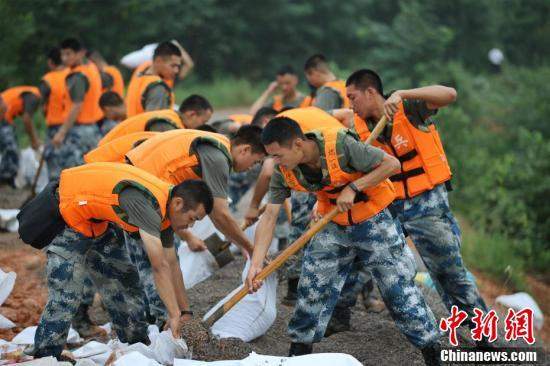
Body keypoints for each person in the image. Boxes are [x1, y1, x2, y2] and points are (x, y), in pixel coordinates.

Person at [245, 113, 443, 364]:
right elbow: (270, 215)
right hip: (334, 223)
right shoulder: (283, 171)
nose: (276, 162)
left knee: (397, 290)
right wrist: (256, 264)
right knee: (312, 286)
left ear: (297, 144)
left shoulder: (340, 145)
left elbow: (391, 164)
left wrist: (354, 187)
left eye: (278, 156)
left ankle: (431, 350)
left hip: (373, 220)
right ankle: (298, 353)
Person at [342, 69, 489, 346]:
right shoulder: (358, 127)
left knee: (449, 272)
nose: (351, 103)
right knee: (359, 255)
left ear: (371, 92)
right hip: (388, 204)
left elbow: (449, 94)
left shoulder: (408, 107)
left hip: (426, 204)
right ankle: (339, 315)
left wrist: (404, 93)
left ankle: (480, 330)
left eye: (353, 97)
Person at [24, 162, 213, 359]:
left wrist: (185, 312)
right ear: (178, 204)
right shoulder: (147, 203)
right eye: (192, 218)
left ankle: (136, 345)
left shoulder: (167, 210)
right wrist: (173, 315)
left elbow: (172, 265)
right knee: (67, 290)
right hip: (68, 213)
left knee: (124, 280)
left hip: (98, 222)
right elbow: (159, 266)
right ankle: (46, 355)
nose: (190, 226)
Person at [89, 126, 266, 324]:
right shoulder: (218, 157)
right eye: (256, 161)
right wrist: (249, 247)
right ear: (245, 150)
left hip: (146, 191)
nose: (252, 167)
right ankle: (158, 325)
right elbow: (220, 214)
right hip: (130, 193)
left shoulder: (212, 143)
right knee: (151, 266)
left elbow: (173, 259)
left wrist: (186, 312)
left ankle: (168, 320)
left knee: (166, 260)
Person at [52, 38, 103, 172]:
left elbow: (77, 105)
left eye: (68, 54)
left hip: (79, 132)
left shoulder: (77, 76)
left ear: (80, 53)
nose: (64, 58)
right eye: (62, 54)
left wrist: (61, 132)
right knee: (91, 170)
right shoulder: (91, 68)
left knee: (74, 171)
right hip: (93, 129)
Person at [100, 94, 212, 145]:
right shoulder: (166, 124)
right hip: (108, 160)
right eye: (203, 122)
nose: (203, 127)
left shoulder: (172, 118)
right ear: (191, 114)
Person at [125, 41, 182, 117]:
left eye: (178, 66)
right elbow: (155, 124)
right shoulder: (158, 88)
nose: (176, 70)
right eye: (173, 66)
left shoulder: (138, 78)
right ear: (158, 61)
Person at [0, 85, 41, 185]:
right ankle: (6, 179)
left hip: (5, 117)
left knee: (9, 149)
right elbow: (26, 119)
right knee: (10, 149)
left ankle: (8, 178)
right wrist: (34, 140)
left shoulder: (30, 93)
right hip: (2, 116)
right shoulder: (34, 96)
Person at [40, 47, 70, 181]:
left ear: (50, 62)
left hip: (54, 127)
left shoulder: (48, 79)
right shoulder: (72, 74)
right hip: (71, 125)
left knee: (54, 167)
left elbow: (42, 100)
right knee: (70, 163)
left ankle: (55, 195)